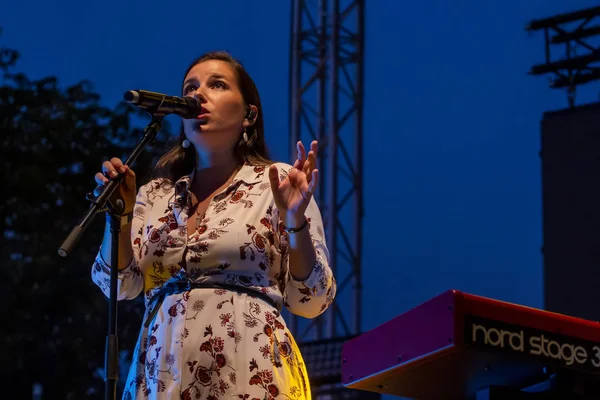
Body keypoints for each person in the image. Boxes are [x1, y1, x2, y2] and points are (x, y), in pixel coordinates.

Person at [90, 51, 336, 400]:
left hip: (252, 376)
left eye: (217, 85)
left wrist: (295, 220)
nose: (198, 94)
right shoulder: (155, 194)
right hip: (160, 378)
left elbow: (312, 300)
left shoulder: (277, 182)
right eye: (190, 87)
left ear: (249, 114)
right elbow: (118, 285)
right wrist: (120, 215)